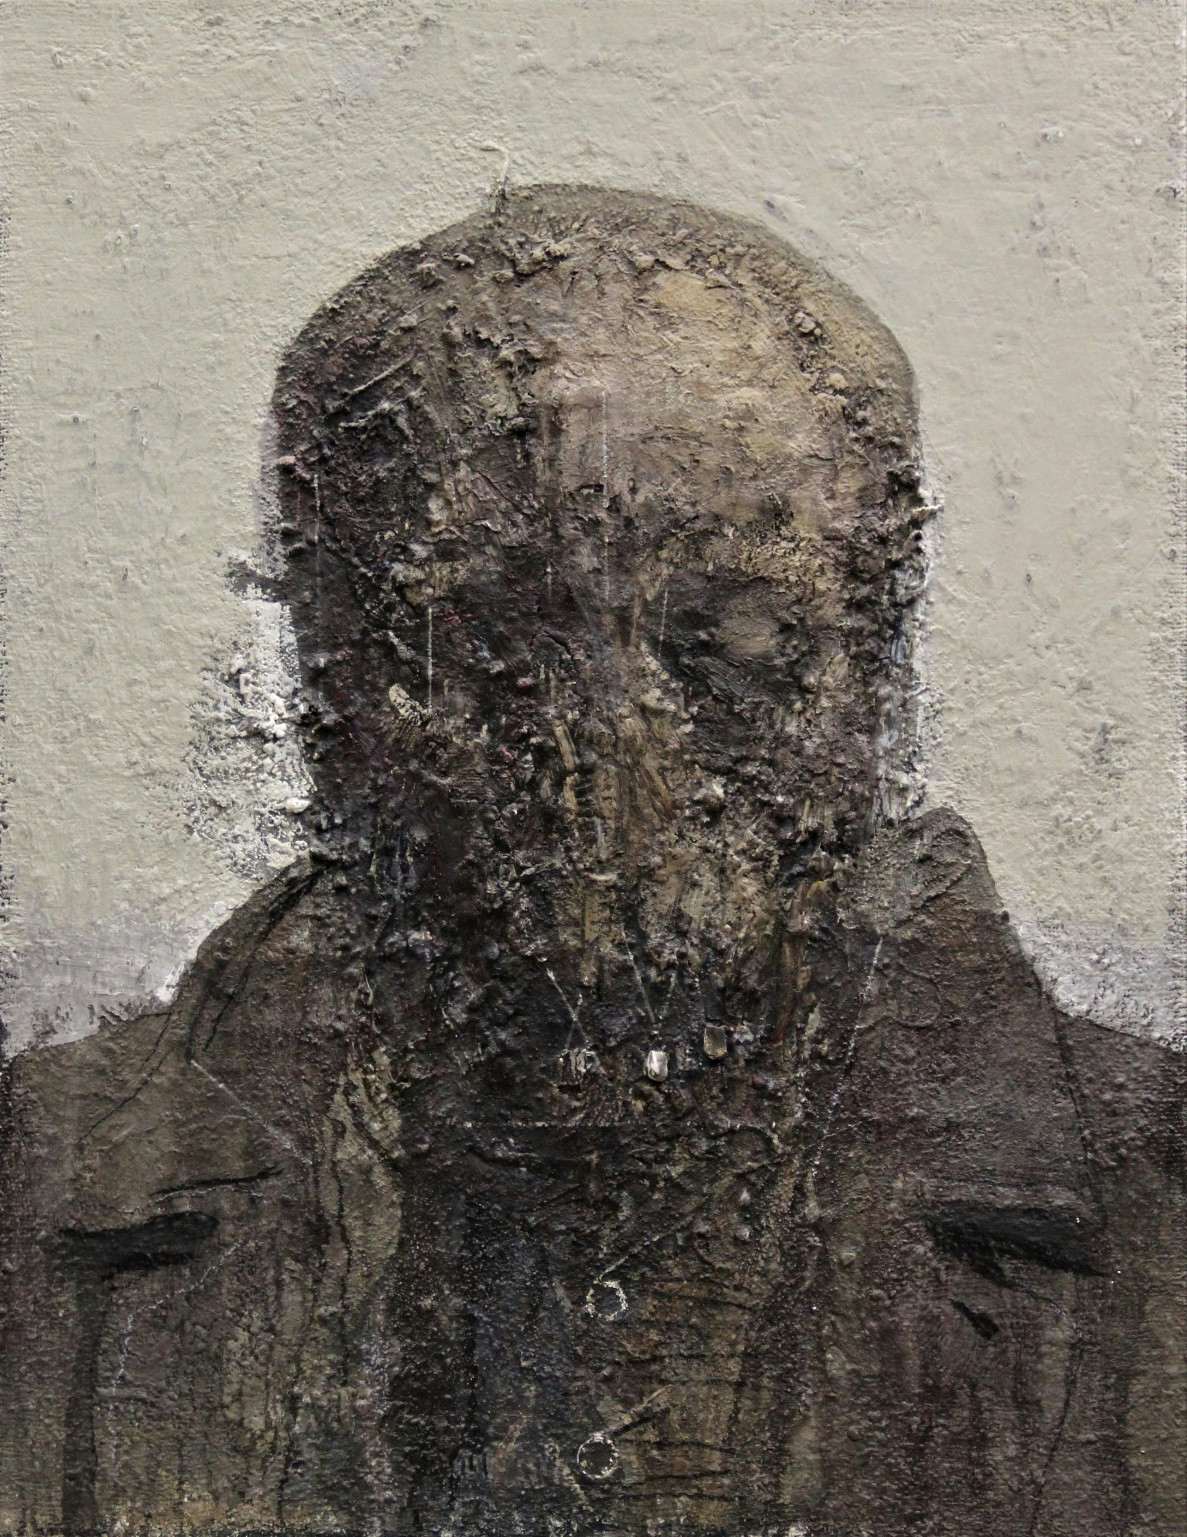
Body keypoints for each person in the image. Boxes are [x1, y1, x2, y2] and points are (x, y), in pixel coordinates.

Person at [0, 186, 1182, 1537]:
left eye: (737, 644)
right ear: (328, 679)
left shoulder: (1150, 1196)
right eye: (488, 647)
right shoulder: (39, 1184)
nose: (613, 762)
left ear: (877, 678)